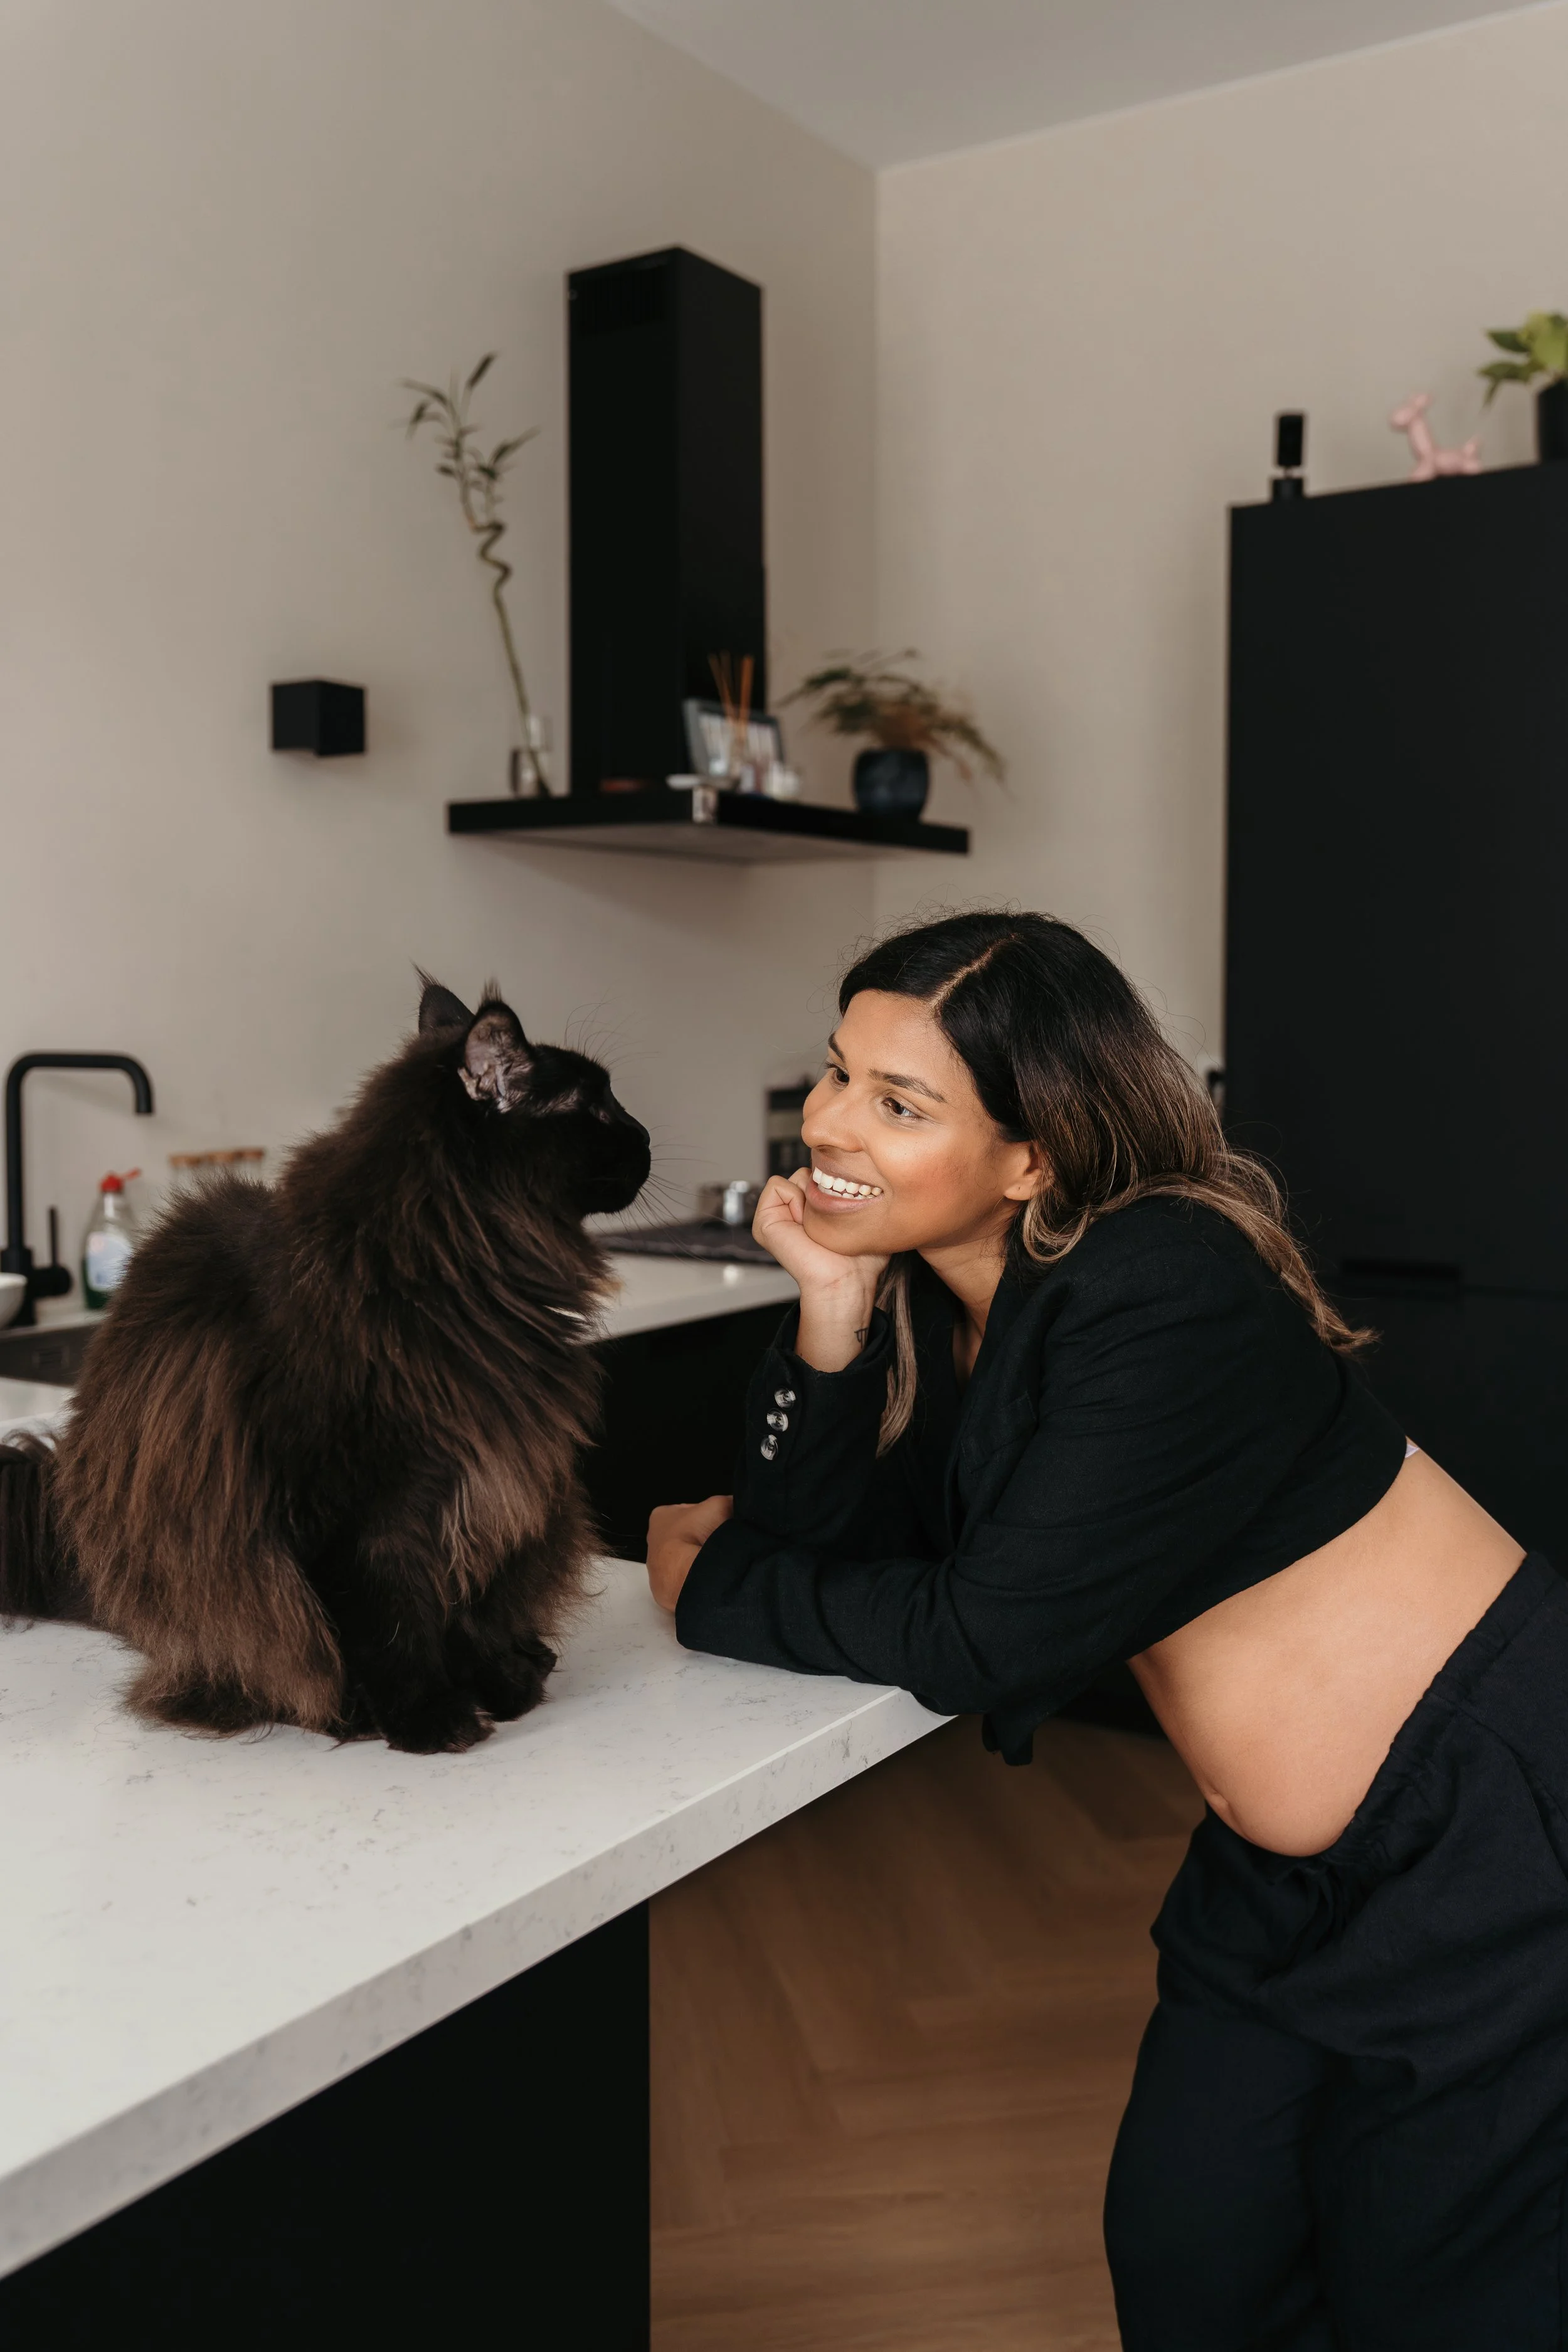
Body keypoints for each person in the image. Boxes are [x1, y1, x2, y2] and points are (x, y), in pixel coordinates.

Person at [645, 910, 1560, 2351]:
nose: (828, 1125)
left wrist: (706, 1593)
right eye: (832, 1076)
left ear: (1035, 1155)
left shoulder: (1161, 1284)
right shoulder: (937, 1307)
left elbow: (982, 1636)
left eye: (898, 1103)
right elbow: (817, 1546)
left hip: (1494, 1848)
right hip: (1274, 1882)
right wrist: (823, 1307)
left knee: (1438, 2300)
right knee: (1192, 2256)